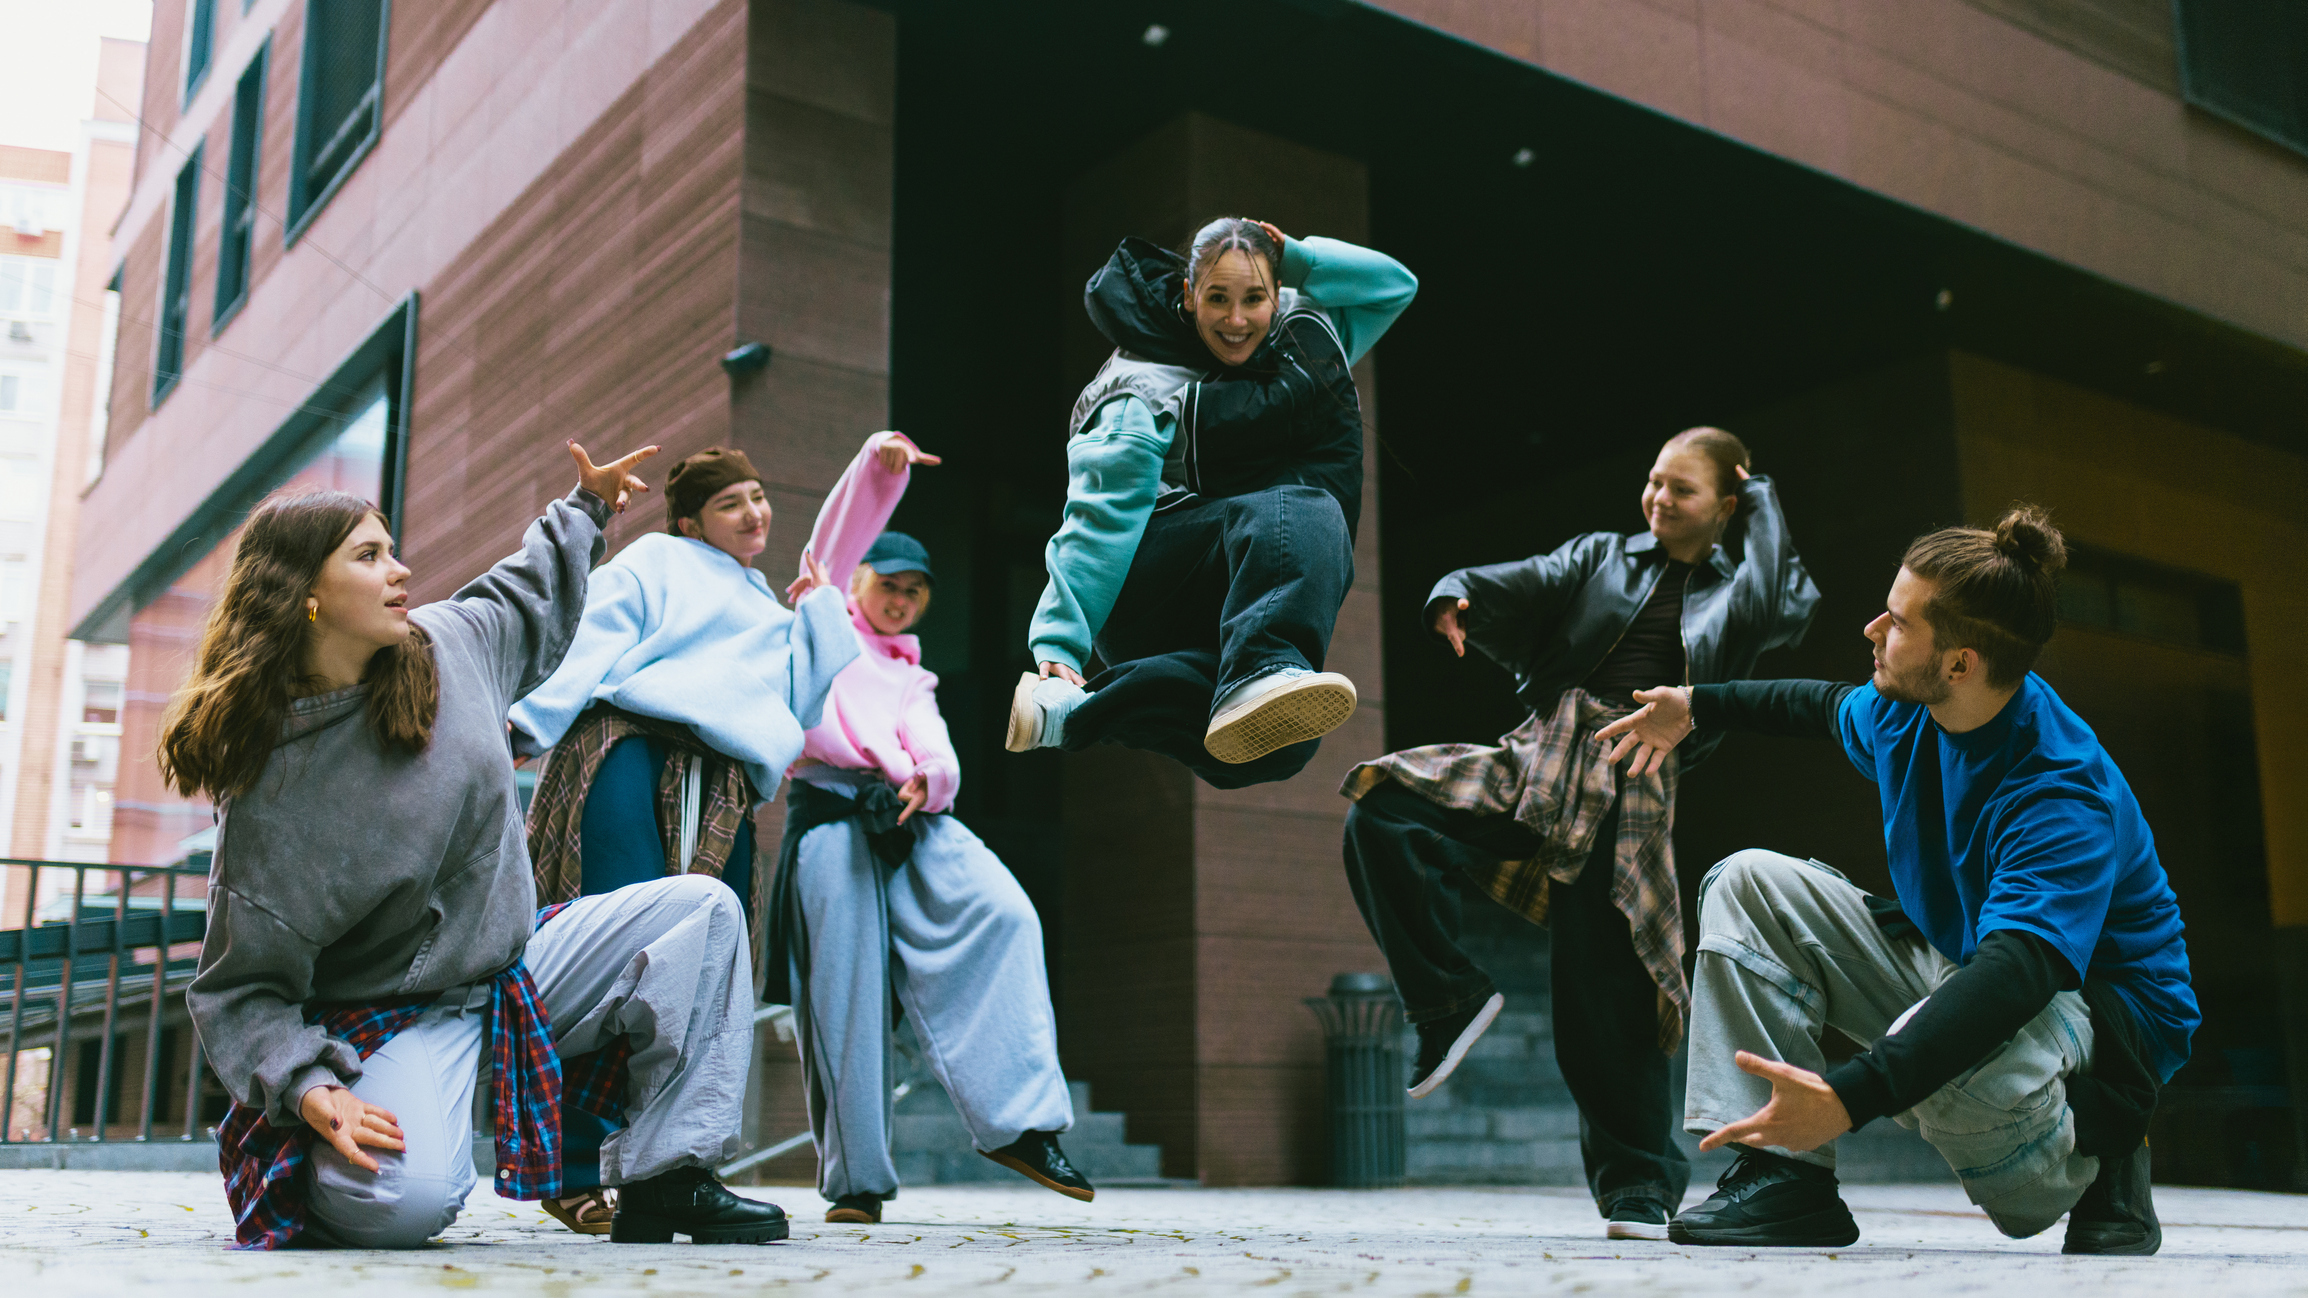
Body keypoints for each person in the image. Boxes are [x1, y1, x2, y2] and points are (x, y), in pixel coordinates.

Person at [171, 442, 790, 1249]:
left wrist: (587, 506)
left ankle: (668, 1178)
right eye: (368, 556)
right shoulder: (271, 787)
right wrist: (309, 1087)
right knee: (407, 1202)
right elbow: (239, 987)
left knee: (702, 910)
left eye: (392, 549)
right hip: (392, 1017)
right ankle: (306, 1165)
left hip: (515, 966)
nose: (399, 571)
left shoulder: (449, 646)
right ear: (306, 596)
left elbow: (526, 591)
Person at [1596, 505, 2194, 1254]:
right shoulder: (1906, 711)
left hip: (2096, 1018)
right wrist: (1695, 706)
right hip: (1975, 957)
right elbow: (1815, 704)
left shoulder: (2059, 792)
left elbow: (2019, 971)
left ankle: (2100, 1153)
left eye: (1900, 623)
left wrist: (1853, 1095)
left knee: (1955, 1082)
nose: (1874, 630)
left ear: (1960, 663)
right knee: (1748, 883)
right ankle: (1786, 1180)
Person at [1339, 428, 1818, 1241]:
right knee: (1383, 810)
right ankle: (1447, 1000)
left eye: (1684, 491)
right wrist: (1457, 593)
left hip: (1629, 783)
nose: (1660, 500)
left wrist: (1764, 495)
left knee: (1606, 996)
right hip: (1541, 757)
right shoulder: (1605, 555)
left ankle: (1638, 1185)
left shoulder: (1752, 583)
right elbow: (1523, 581)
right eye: (1653, 482)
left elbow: (1777, 598)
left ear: (1727, 506)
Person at [509, 430, 936, 1231]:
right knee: (623, 956)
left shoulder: (765, 603)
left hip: (726, 790)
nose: (754, 511)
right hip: (630, 753)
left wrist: (816, 615)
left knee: (709, 975)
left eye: (759, 496)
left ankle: (666, 1174)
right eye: (729, 502)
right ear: (691, 522)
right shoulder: (652, 563)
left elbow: (799, 711)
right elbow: (589, 637)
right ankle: (570, 1167)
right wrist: (525, 723)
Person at [1007, 216, 1417, 786]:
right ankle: (1260, 666)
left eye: (1254, 299)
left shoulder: (1299, 341)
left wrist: (1295, 257)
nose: (1235, 320)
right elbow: (1098, 521)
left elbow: (1395, 287)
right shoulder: (1142, 386)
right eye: (1217, 299)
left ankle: (1075, 714)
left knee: (1284, 744)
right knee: (1305, 510)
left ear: (1277, 297)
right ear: (1188, 294)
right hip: (1144, 585)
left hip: (1230, 597)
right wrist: (1059, 642)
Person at [769, 531, 1085, 1226]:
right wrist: (879, 465)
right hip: (830, 817)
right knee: (844, 999)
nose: (902, 601)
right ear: (857, 583)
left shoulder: (911, 673)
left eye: (915, 591)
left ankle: (1021, 1128)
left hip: (908, 815)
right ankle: (856, 1183)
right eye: (890, 585)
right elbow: (842, 527)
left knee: (1007, 914)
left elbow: (933, 740)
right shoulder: (818, 627)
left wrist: (930, 776)